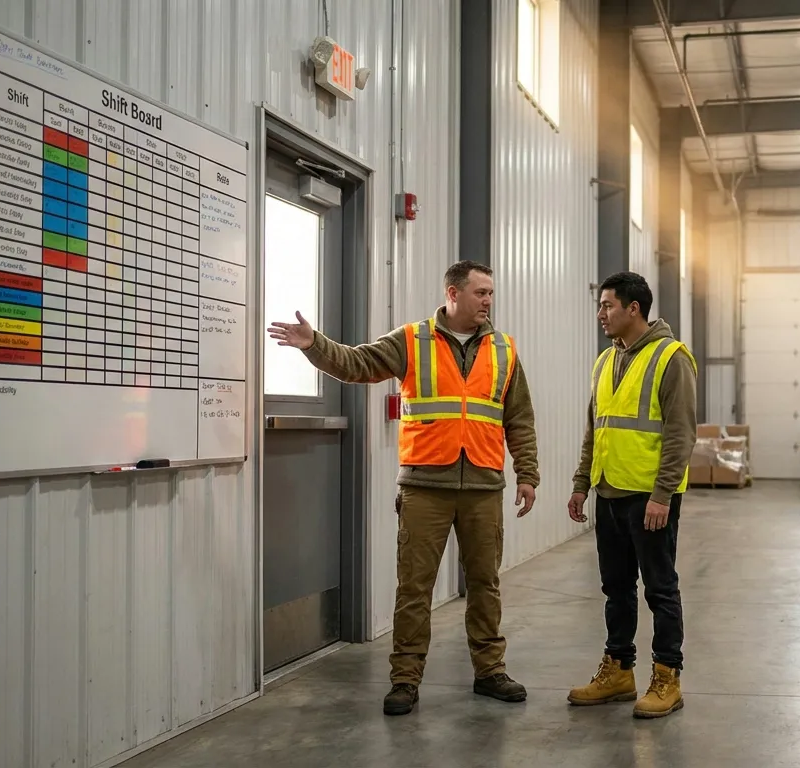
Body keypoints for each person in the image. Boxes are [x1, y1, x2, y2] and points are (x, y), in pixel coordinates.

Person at [268, 260, 538, 717]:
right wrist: (315, 346)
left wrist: (527, 474)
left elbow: (519, 418)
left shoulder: (505, 349)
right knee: (414, 588)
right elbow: (358, 363)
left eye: (491, 293)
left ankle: (490, 671)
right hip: (424, 487)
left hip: (483, 486)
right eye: (480, 293)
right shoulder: (413, 340)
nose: (488, 302)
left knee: (485, 584)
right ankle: (405, 679)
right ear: (453, 294)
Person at [566, 270, 697, 720]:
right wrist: (582, 483)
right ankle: (619, 670)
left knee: (660, 589)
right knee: (616, 588)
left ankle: (667, 677)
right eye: (601, 305)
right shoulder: (605, 360)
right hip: (609, 491)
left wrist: (662, 495)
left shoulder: (671, 358)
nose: (601, 313)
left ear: (633, 308)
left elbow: (681, 434)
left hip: (649, 498)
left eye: (607, 305)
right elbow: (595, 428)